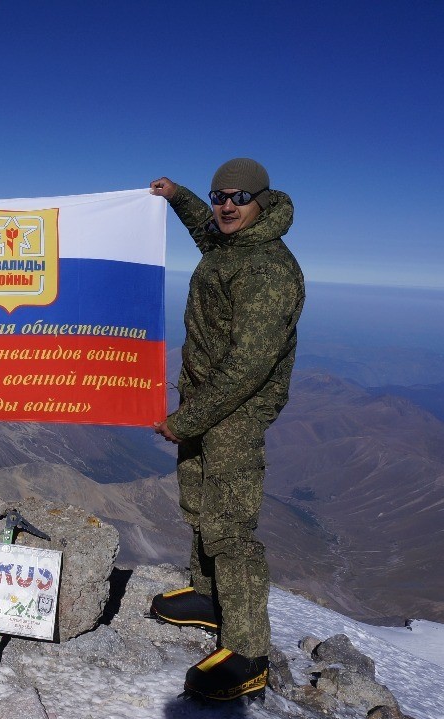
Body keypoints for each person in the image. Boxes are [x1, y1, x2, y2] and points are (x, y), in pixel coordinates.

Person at [147, 158, 304, 701]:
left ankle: (248, 651)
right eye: (219, 196)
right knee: (198, 499)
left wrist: (186, 417)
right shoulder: (232, 246)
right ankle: (210, 596)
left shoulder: (268, 268)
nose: (225, 206)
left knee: (229, 526)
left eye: (237, 196)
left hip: (234, 410)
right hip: (205, 401)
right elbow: (206, 232)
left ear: (262, 198)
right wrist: (178, 196)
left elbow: (248, 367)